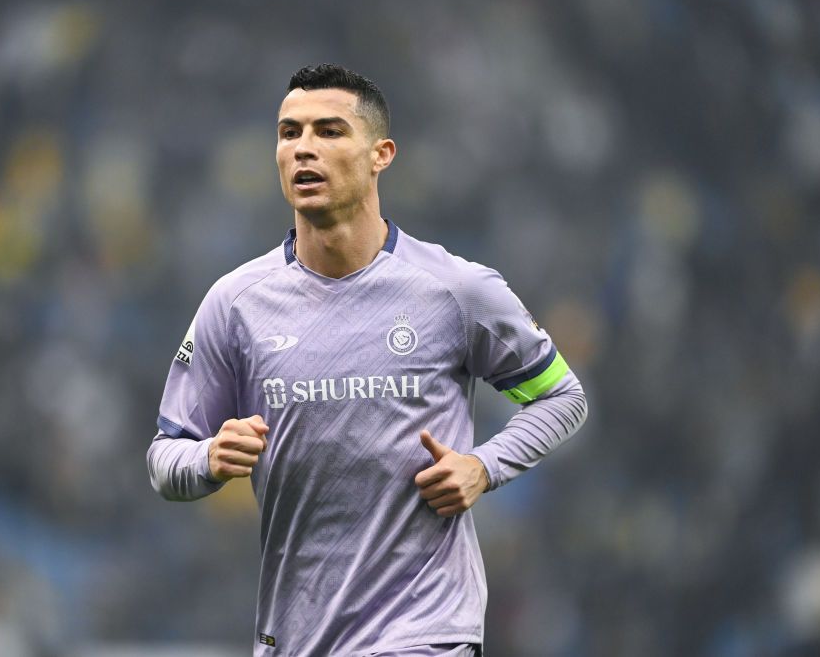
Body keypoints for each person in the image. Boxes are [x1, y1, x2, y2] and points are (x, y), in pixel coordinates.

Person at [148, 63, 587, 656]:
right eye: (288, 133)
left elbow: (561, 395)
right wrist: (207, 456)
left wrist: (483, 467)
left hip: (426, 631)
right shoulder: (236, 304)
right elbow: (164, 455)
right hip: (298, 637)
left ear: (381, 154)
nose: (303, 148)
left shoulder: (456, 290)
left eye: (328, 131)